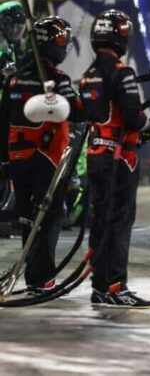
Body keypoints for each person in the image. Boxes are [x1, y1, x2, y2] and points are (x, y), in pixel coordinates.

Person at [0, 16, 83, 294]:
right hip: (47, 159)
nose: (64, 45)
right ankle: (41, 280)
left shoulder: (13, 80)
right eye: (61, 40)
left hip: (17, 160)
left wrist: (4, 161)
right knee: (48, 218)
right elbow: (77, 110)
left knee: (28, 218)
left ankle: (34, 277)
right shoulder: (56, 79)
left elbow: (2, 121)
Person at [80, 9, 150, 308]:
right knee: (119, 222)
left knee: (100, 221)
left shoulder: (87, 76)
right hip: (119, 159)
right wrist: (147, 126)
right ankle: (115, 286)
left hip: (95, 156)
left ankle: (100, 286)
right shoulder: (122, 72)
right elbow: (134, 118)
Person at [0, 0, 25, 76]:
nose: (16, 32)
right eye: (13, 27)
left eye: (20, 28)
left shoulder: (13, 49)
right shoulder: (2, 56)